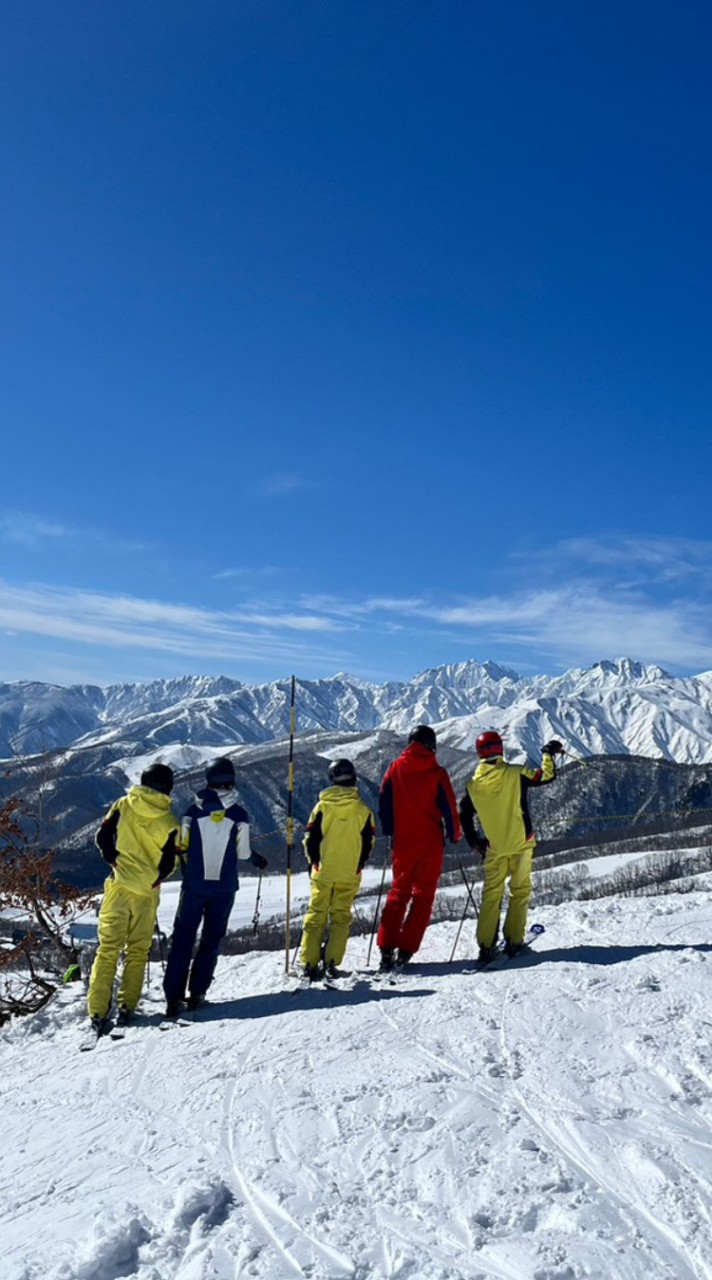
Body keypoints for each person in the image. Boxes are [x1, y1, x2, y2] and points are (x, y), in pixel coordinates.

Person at [162, 757, 267, 1016]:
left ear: (207, 780)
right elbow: (243, 854)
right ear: (231, 781)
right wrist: (257, 859)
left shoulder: (191, 812)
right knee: (211, 940)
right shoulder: (239, 814)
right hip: (224, 888)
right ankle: (198, 993)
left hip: (194, 886)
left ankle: (173, 997)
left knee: (183, 938)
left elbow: (182, 847)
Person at [89, 763, 180, 1033]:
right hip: (147, 894)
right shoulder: (171, 822)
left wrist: (115, 862)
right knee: (137, 951)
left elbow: (102, 837)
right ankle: (127, 1005)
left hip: (118, 887)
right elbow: (168, 864)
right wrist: (154, 880)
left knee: (107, 951)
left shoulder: (123, 805)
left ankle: (97, 1010)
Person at [459, 732, 564, 962]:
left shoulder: (472, 786)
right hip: (521, 844)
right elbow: (545, 776)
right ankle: (514, 940)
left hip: (494, 848)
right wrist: (548, 753)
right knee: (520, 891)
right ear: (500, 749)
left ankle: (486, 946)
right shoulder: (516, 773)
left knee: (491, 895)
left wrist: (475, 842)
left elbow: (464, 814)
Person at [377, 725, 462, 971]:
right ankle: (406, 951)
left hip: (402, 843)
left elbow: (384, 803)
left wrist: (390, 832)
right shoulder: (437, 772)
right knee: (423, 897)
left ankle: (386, 948)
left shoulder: (395, 769)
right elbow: (449, 806)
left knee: (398, 893)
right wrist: (454, 834)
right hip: (430, 844)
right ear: (431, 745)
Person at [299, 757, 376, 981]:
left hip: (323, 869)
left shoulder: (322, 806)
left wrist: (312, 862)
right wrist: (358, 865)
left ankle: (309, 962)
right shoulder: (364, 810)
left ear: (332, 779)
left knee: (316, 915)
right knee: (341, 916)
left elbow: (310, 838)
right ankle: (332, 961)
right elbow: (368, 843)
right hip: (349, 872)